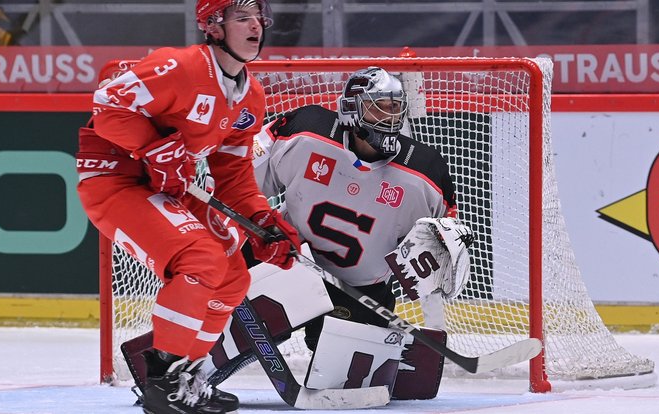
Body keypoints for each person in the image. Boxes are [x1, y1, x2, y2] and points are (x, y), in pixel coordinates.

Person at [76, 1, 300, 413]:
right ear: (213, 26)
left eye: (258, 18)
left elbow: (231, 172)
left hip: (168, 187)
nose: (256, 26)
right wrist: (152, 147)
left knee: (233, 276)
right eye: (242, 18)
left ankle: (190, 377)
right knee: (201, 259)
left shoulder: (251, 96)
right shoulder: (180, 67)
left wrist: (261, 220)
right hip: (116, 179)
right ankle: (162, 379)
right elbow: (107, 105)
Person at [249, 66, 463, 398]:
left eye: (394, 106)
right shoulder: (306, 131)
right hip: (288, 265)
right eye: (378, 105)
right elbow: (243, 183)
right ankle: (183, 364)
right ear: (351, 108)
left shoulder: (425, 172)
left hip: (359, 291)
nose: (389, 116)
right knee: (244, 320)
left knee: (351, 389)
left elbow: (447, 243)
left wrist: (436, 256)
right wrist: (262, 225)